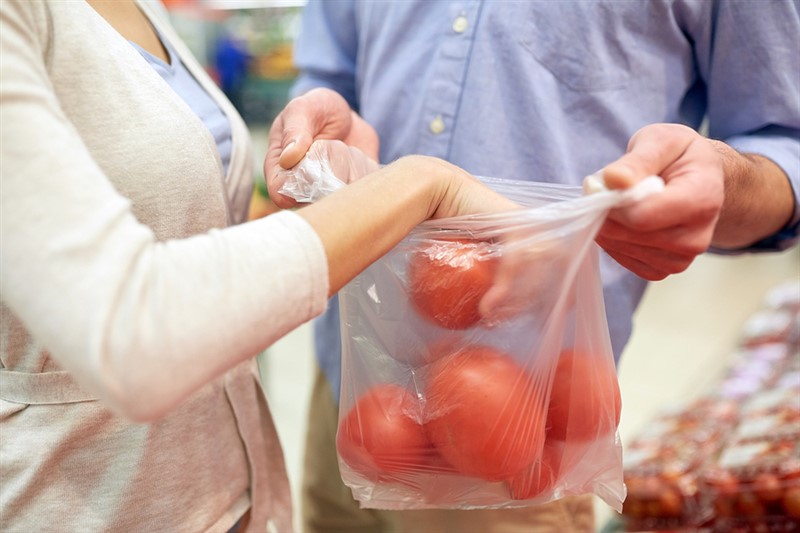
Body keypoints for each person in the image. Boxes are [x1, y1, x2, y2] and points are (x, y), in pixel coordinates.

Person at [264, 1, 800, 532]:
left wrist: (726, 185)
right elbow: (330, 72)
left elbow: (786, 143)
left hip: (519, 421)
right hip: (355, 372)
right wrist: (325, 133)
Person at [0, 2, 520, 532]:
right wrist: (416, 186)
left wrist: (326, 179)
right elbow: (127, 331)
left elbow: (170, 233)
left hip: (219, 494)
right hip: (82, 505)